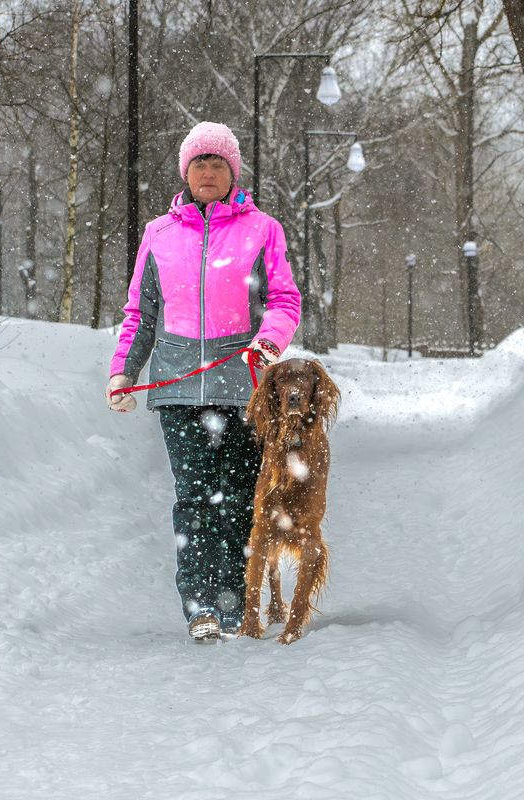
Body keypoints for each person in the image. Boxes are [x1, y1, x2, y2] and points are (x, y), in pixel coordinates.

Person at [105, 121, 301, 641]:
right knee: (193, 498)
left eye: (217, 163)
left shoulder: (263, 229)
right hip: (176, 390)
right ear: (185, 172)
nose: (208, 172)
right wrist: (124, 371)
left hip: (243, 389)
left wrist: (268, 343)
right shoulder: (159, 234)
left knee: (239, 497)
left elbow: (284, 301)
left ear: (233, 173)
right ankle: (201, 607)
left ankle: (236, 601)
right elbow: (141, 313)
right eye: (199, 163)